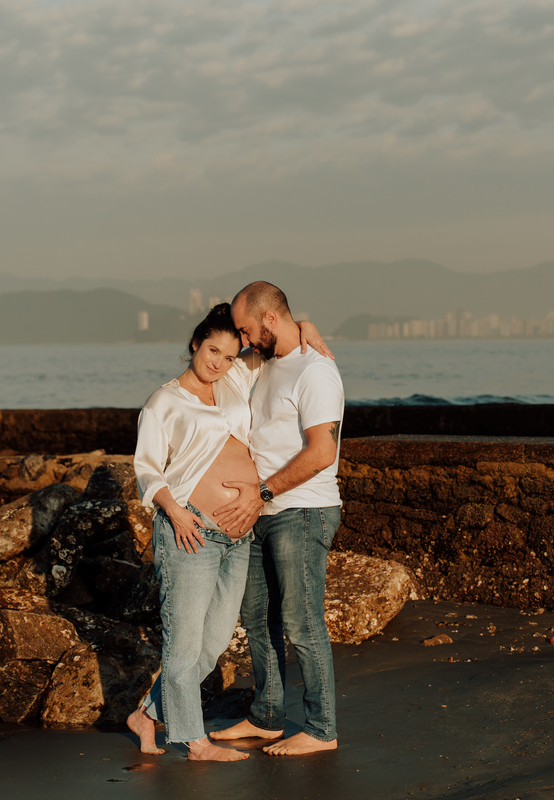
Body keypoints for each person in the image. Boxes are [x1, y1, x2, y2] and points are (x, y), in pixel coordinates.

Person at [127, 302, 328, 761]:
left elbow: (272, 338)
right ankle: (194, 742)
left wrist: (306, 326)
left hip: (235, 536)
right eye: (212, 349)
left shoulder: (234, 379)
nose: (218, 361)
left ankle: (145, 715)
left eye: (227, 354)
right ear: (195, 343)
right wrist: (175, 513)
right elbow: (146, 469)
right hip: (191, 532)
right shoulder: (165, 401)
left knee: (214, 642)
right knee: (183, 643)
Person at [209, 281, 344, 756]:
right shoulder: (265, 363)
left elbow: (323, 450)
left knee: (302, 622)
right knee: (258, 618)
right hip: (262, 512)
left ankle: (322, 728)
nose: (243, 340)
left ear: (268, 319)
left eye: (247, 329)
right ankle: (267, 716)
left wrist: (263, 491)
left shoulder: (316, 371)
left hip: (302, 510)